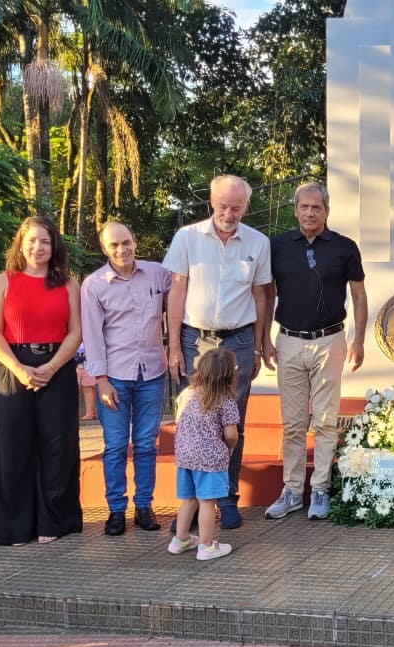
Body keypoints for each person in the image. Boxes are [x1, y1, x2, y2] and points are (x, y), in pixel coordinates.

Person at [164, 175, 272, 530]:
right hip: (195, 340)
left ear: (246, 206)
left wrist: (258, 344)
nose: (229, 213)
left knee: (231, 421)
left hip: (239, 341)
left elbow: (261, 296)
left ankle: (226, 498)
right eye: (223, 206)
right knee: (194, 420)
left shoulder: (258, 242)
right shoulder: (188, 237)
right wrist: (174, 344)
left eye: (237, 207)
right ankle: (192, 504)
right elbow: (176, 291)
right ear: (212, 202)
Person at [262, 182, 367, 521]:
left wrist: (359, 340)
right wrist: (265, 339)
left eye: (316, 207)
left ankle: (320, 488)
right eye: (304, 207)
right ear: (295, 210)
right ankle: (292, 490)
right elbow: (265, 296)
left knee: (325, 421)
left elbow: (360, 297)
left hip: (330, 341)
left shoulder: (344, 247)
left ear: (326, 211)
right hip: (289, 341)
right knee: (292, 423)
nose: (310, 213)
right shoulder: (276, 247)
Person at [0, 216, 83, 546]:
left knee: (58, 446)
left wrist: (52, 367)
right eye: (32, 240)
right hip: (12, 369)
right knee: (12, 446)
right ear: (20, 243)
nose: (38, 247)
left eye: (45, 241)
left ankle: (54, 520)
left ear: (54, 246)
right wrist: (19, 368)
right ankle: (14, 526)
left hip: (58, 366)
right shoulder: (2, 282)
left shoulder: (68, 284)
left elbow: (76, 332)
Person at [81, 221, 172, 536]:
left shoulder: (158, 274)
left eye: (126, 242)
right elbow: (92, 336)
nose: (122, 250)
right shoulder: (94, 285)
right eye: (114, 245)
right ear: (105, 249)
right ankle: (116, 510)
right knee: (116, 445)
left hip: (152, 373)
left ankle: (144, 506)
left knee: (147, 444)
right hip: (115, 376)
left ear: (135, 242)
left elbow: (181, 299)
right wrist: (100, 380)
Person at [168, 347, 238, 561]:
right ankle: (207, 546)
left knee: (189, 499)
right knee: (208, 502)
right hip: (209, 458)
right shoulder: (226, 401)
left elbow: (179, 420)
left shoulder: (187, 393)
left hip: (185, 455)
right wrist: (230, 448)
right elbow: (231, 433)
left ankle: (180, 539)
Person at [75, 345, 98, 421]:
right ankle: (69, 413)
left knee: (89, 388)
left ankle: (90, 413)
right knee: (72, 390)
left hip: (88, 364)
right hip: (73, 364)